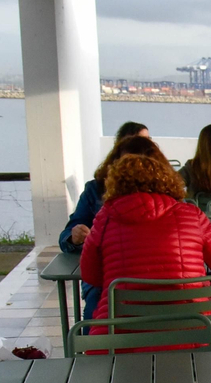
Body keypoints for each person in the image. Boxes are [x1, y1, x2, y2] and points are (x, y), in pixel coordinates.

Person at [79, 152, 211, 346]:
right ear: (167, 181)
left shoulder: (104, 219)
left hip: (120, 338)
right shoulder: (192, 215)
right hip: (195, 334)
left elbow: (90, 276)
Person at [60, 121, 153, 320]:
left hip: (148, 274)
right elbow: (67, 235)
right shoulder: (95, 190)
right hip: (107, 273)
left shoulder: (166, 195)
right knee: (97, 296)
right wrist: (74, 236)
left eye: (146, 143)